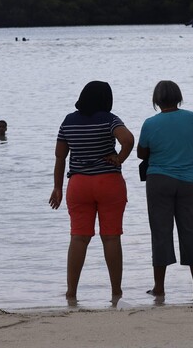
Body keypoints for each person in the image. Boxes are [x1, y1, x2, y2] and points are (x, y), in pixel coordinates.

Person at [49, 81, 133, 301]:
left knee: (78, 238)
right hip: (109, 183)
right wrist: (119, 159)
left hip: (78, 184)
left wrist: (57, 187)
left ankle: (71, 292)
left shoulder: (68, 121)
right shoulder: (110, 119)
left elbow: (60, 157)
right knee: (111, 237)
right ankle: (115, 291)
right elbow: (128, 140)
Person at [137, 80, 193, 297]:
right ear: (179, 97)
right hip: (189, 180)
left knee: (160, 232)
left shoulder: (149, 123)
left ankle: (159, 287)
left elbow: (141, 153)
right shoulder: (191, 117)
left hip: (159, 180)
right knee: (191, 230)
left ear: (156, 100)